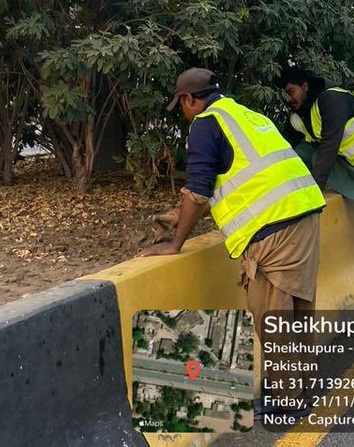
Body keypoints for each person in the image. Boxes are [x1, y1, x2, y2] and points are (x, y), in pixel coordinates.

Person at [138, 68, 325, 419]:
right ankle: (300, 384)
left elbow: (198, 190)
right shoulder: (243, 114)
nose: (183, 112)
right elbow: (241, 178)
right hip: (303, 214)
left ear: (190, 99)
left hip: (275, 229)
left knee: (271, 315)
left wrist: (175, 243)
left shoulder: (205, 124)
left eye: (181, 105)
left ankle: (287, 401)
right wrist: (183, 216)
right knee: (297, 310)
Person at [280, 68, 354, 309]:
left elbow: (329, 146)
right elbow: (298, 150)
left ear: (305, 86)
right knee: (299, 154)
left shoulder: (332, 100)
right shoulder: (300, 115)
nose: (289, 98)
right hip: (349, 163)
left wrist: (314, 193)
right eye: (286, 95)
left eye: (291, 92)